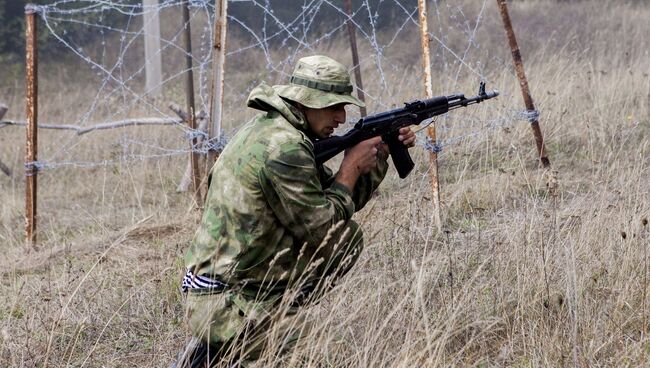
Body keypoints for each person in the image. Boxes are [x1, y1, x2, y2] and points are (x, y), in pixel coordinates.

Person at [174, 55, 416, 367]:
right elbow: (320, 227)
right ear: (307, 103)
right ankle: (222, 344)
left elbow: (337, 206)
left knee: (347, 237)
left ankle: (248, 333)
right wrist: (350, 168)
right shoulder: (285, 149)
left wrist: (378, 154)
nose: (342, 117)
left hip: (235, 285)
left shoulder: (276, 131)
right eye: (334, 107)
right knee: (312, 351)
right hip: (224, 300)